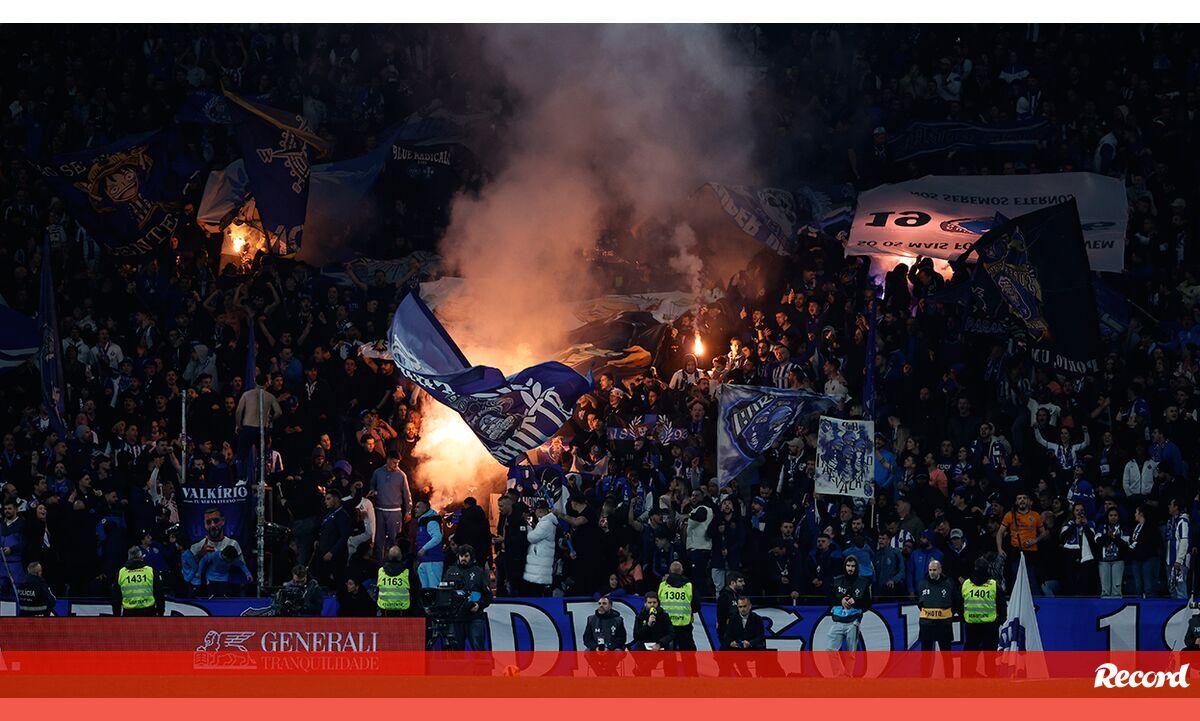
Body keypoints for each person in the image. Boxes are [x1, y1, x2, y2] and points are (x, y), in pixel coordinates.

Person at [826, 556, 872, 677]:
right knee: (830, 649)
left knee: (851, 653)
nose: (850, 569)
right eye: (848, 566)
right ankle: (839, 675)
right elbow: (828, 599)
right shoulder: (837, 580)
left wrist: (855, 601)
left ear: (857, 567)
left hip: (853, 622)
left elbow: (868, 604)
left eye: (853, 566)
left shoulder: (863, 582)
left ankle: (848, 677)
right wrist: (840, 600)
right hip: (838, 621)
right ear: (844, 566)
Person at [441, 544, 491, 651]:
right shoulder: (450, 572)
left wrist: (479, 605)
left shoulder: (479, 572)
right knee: (456, 651)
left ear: (471, 557)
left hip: (475, 617)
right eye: (461, 556)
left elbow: (488, 595)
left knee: (478, 649)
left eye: (466, 556)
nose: (463, 558)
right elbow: (444, 593)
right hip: (456, 618)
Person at [961, 557, 1004, 678]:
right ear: (987, 569)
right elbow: (1002, 605)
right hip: (989, 626)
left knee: (971, 656)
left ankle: (970, 680)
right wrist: (999, 621)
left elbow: (958, 603)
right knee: (989, 657)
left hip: (972, 626)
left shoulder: (966, 584)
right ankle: (990, 680)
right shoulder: (993, 585)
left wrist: (964, 617)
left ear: (974, 568)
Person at [916, 559, 959, 677]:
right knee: (926, 655)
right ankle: (925, 679)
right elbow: (919, 602)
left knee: (946, 655)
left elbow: (956, 601)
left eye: (934, 570)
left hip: (943, 624)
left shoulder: (949, 583)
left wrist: (948, 613)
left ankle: (949, 678)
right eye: (930, 570)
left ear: (940, 570)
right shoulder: (922, 583)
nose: (932, 572)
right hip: (926, 625)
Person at [996, 493, 1045, 593]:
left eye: (1024, 498)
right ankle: (1016, 600)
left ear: (1028, 501)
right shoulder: (1010, 515)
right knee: (1016, 578)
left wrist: (1035, 540)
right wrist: (1000, 549)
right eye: (1019, 498)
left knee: (1033, 579)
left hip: (1032, 552)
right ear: (1016, 502)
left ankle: (1036, 600)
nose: (1022, 500)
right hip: (1016, 552)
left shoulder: (1035, 515)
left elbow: (1044, 533)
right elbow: (1000, 532)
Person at [369, 451, 412, 562]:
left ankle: (394, 563)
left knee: (394, 539)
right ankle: (379, 564)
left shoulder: (401, 475)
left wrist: (408, 511)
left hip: (395, 511)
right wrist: (372, 491)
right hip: (379, 510)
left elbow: (407, 494)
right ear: (388, 460)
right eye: (394, 462)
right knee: (379, 539)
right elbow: (372, 486)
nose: (396, 465)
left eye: (398, 463)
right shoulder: (378, 473)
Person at [111, 546, 164, 617]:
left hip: (129, 614)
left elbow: (116, 598)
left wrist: (116, 616)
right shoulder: (150, 571)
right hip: (149, 613)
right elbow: (160, 593)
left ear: (128, 558)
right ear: (141, 557)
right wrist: (160, 613)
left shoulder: (121, 573)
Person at [658, 560, 698, 652]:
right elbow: (696, 606)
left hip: (666, 625)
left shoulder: (662, 585)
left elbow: (657, 603)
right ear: (682, 571)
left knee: (667, 654)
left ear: (669, 571)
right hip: (684, 625)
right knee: (688, 654)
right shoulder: (689, 586)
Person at [523, 500, 557, 596]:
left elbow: (532, 538)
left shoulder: (546, 523)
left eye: (536, 511)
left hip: (542, 562)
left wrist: (528, 527)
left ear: (540, 511)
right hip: (542, 560)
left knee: (540, 589)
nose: (535, 513)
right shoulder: (544, 522)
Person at [413, 499, 444, 590]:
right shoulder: (423, 521)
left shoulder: (431, 521)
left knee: (433, 589)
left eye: (418, 507)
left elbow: (437, 537)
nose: (415, 509)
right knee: (426, 591)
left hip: (433, 561)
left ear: (425, 508)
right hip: (425, 561)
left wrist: (424, 549)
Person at [376, 545, 411, 617]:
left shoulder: (381, 571)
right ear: (401, 557)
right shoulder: (407, 572)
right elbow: (413, 590)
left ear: (388, 557)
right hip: (403, 609)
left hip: (384, 608)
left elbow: (377, 589)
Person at [715, 572, 746, 642]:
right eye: (740, 581)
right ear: (732, 583)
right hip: (728, 633)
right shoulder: (724, 596)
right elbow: (721, 617)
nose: (743, 583)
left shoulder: (738, 595)